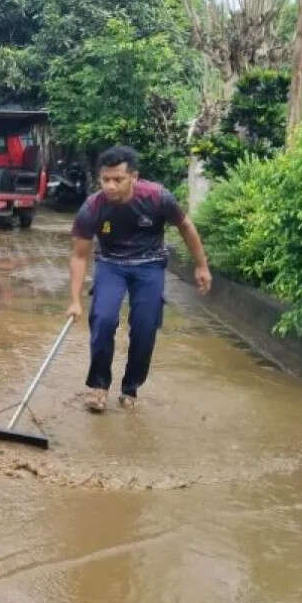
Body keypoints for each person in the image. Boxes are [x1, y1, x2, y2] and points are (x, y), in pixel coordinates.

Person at [67, 145, 211, 411]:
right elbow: (79, 255)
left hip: (150, 265)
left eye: (117, 180)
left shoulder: (157, 197)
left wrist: (201, 266)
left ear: (134, 177)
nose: (110, 186)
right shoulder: (93, 207)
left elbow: (185, 226)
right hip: (111, 264)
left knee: (145, 328)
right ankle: (99, 387)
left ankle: (130, 388)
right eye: (105, 179)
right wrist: (75, 299)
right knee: (103, 320)